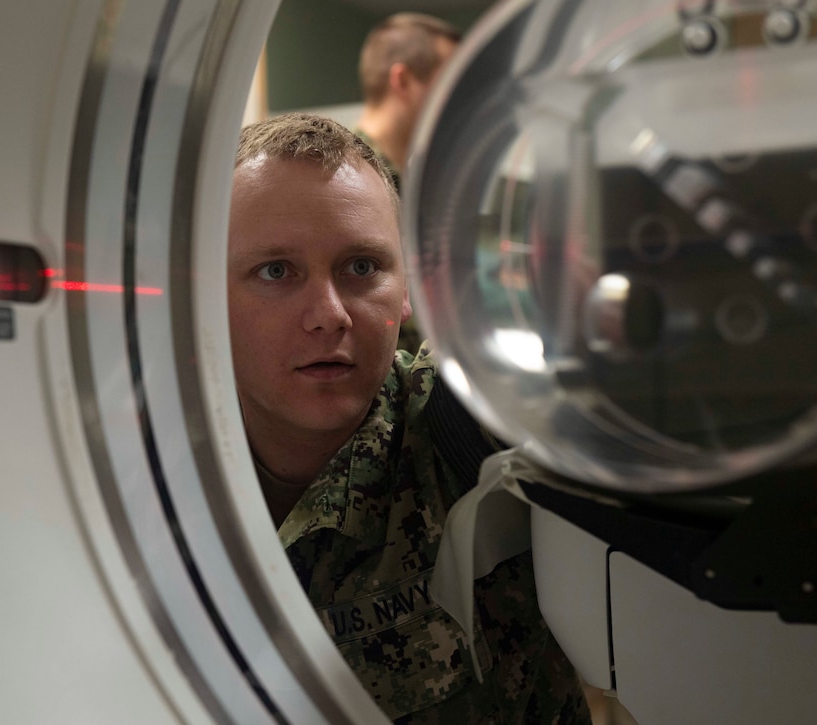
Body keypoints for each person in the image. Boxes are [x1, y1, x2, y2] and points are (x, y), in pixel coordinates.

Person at [228, 111, 589, 723]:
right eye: (275, 272)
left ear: (407, 290)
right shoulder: (137, 480)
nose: (329, 314)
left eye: (362, 267)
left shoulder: (462, 421)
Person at [355, 12, 461, 355]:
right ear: (402, 81)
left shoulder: (407, 184)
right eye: (451, 83)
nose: (461, 100)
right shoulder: (347, 182)